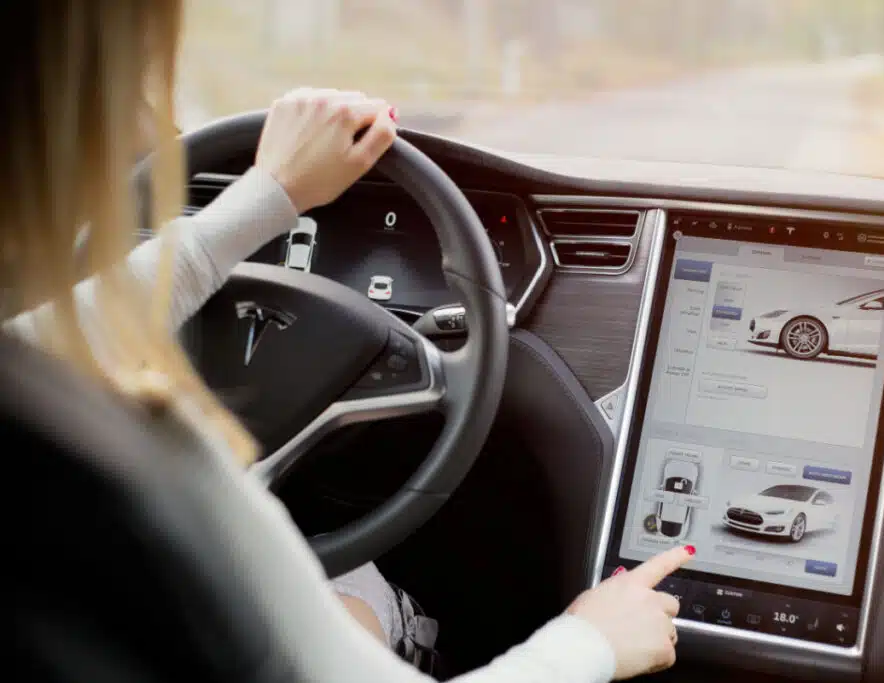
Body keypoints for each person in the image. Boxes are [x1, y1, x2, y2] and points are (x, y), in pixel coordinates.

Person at [1, 2, 693, 681]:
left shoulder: (39, 414)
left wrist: (272, 193)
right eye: (138, 79)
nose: (154, 124)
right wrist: (592, 643)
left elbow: (64, 333)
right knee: (351, 583)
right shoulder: (145, 473)